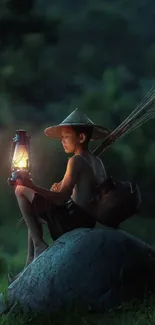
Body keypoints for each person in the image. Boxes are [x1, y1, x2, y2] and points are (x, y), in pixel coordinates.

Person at [8, 108, 109, 278]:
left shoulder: (76, 160)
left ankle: (39, 245)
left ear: (82, 137)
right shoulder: (97, 161)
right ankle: (30, 263)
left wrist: (31, 186)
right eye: (61, 137)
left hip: (72, 220)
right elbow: (82, 193)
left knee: (20, 190)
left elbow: (62, 199)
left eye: (66, 136)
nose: (62, 141)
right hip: (87, 220)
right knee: (32, 216)